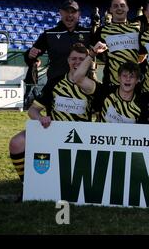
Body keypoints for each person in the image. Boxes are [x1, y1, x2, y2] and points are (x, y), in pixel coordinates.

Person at [9, 43, 100, 185]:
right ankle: (27, 185)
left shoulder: (93, 86)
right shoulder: (55, 82)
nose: (77, 62)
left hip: (80, 136)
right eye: (73, 58)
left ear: (88, 62)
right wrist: (40, 118)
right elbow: (33, 110)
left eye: (81, 59)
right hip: (53, 132)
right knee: (16, 143)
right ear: (68, 61)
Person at [73, 41, 149, 123]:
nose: (128, 79)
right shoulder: (105, 92)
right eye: (124, 76)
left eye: (132, 76)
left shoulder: (141, 103)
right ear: (119, 78)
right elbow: (77, 78)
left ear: (137, 80)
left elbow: (143, 132)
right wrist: (93, 53)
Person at [27, 0, 91, 81]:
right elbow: (31, 55)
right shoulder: (49, 34)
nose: (70, 15)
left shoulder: (88, 33)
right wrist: (30, 55)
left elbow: (102, 54)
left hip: (81, 84)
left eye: (73, 12)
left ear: (79, 14)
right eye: (66, 11)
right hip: (56, 84)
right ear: (61, 12)